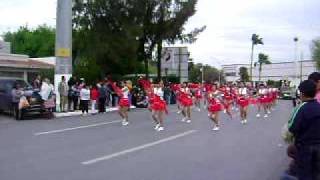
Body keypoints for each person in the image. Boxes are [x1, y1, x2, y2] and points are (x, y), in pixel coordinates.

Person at [288, 80, 320, 180]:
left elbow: (292, 127)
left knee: (305, 174)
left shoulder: (301, 108)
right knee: (315, 172)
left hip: (304, 148)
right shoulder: (319, 106)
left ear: (301, 93)